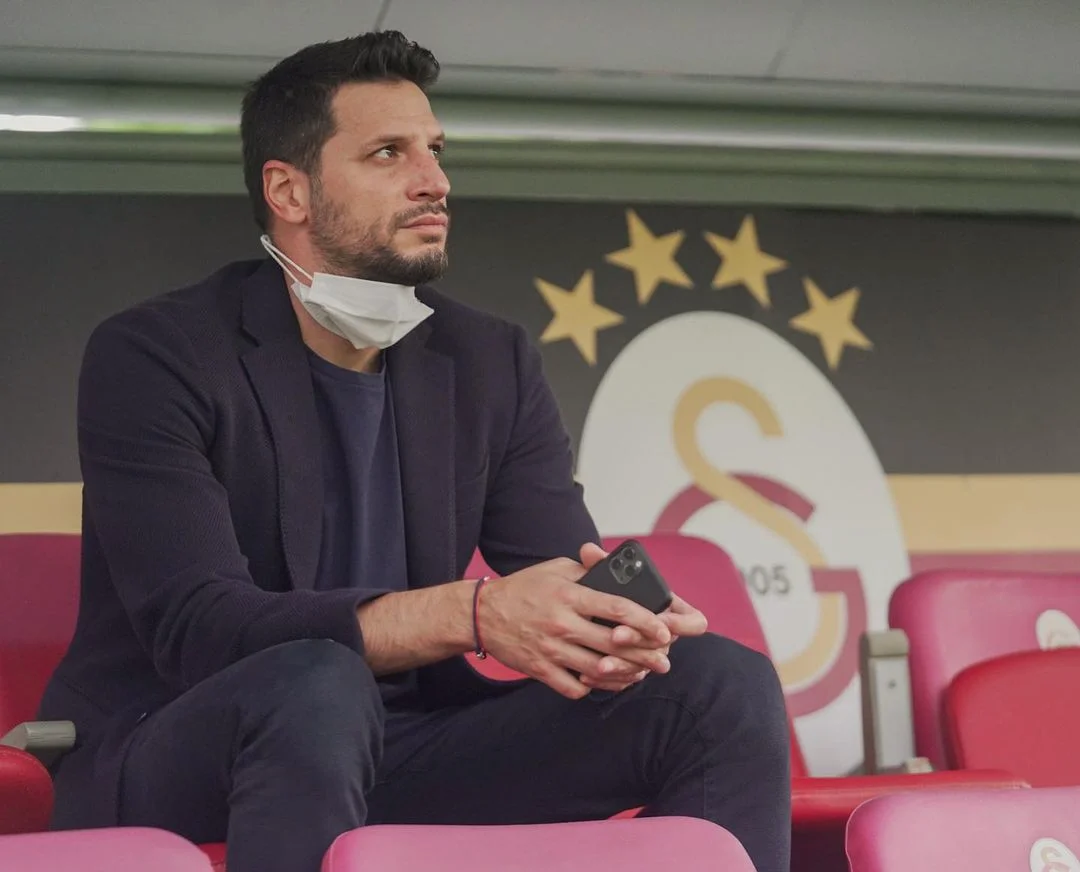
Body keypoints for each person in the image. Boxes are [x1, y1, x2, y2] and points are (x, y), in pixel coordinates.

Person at [40, 30, 791, 872]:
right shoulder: (156, 354)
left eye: (435, 150)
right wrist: (473, 614)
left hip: (410, 746)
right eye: (388, 154)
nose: (434, 180)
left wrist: (622, 625)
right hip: (192, 741)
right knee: (317, 683)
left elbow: (563, 564)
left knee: (718, 684)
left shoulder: (489, 359)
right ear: (288, 190)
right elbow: (200, 631)